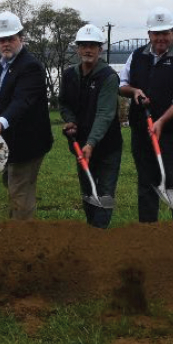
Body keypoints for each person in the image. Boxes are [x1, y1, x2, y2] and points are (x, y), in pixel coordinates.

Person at [119, 7, 173, 223]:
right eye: (156, 33)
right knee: (146, 183)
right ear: (149, 35)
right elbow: (122, 84)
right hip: (141, 131)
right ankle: (148, 234)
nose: (161, 38)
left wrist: (162, 121)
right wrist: (134, 91)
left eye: (165, 33)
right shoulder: (137, 56)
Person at [0, 11, 53, 220]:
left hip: (28, 141)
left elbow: (22, 101)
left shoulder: (31, 67)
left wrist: (0, 123)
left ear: (21, 38)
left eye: (10, 38)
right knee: (12, 184)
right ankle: (15, 228)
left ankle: (23, 239)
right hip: (4, 140)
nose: (6, 43)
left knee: (19, 189)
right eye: (2, 39)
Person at [59, 24, 122, 228]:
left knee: (104, 193)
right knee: (87, 191)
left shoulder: (109, 77)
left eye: (92, 46)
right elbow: (64, 103)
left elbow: (105, 114)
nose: (88, 50)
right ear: (77, 49)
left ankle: (98, 237)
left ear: (99, 50)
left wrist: (92, 143)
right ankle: (92, 232)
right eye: (84, 45)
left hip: (106, 148)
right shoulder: (69, 75)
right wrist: (70, 121)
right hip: (81, 145)